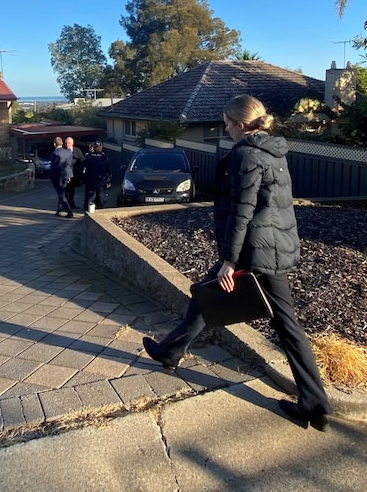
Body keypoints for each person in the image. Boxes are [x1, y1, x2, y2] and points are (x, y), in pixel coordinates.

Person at [141, 94, 333, 432]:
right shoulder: (274, 151)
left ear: (241, 125)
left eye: (228, 124)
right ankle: (171, 351)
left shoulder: (245, 155)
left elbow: (242, 211)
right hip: (272, 247)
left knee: (285, 327)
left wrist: (229, 260)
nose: (225, 129)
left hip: (256, 253)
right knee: (207, 294)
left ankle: (314, 404)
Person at [49, 136, 74, 218]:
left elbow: (53, 167)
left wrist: (51, 176)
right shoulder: (68, 152)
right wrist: (70, 175)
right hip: (67, 176)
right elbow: (70, 165)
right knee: (62, 192)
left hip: (58, 176)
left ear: (54, 144)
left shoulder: (55, 154)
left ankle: (69, 211)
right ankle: (59, 210)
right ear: (62, 143)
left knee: (61, 194)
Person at [82, 141, 111, 210]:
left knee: (90, 198)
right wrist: (108, 180)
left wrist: (84, 178)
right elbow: (109, 170)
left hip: (91, 182)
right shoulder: (104, 157)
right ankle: (99, 212)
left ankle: (89, 212)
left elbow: (82, 168)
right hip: (101, 182)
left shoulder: (89, 157)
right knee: (100, 198)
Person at [64, 137, 85, 209]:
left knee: (72, 190)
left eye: (69, 143)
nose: (67, 145)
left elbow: (82, 160)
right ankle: (65, 205)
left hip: (74, 174)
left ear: (72, 143)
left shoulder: (77, 150)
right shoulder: (63, 151)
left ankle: (71, 203)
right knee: (66, 190)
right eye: (66, 143)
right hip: (66, 174)